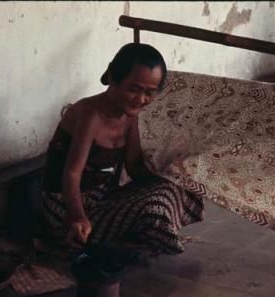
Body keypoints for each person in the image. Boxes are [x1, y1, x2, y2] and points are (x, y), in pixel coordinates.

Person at [40, 43, 204, 255]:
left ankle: (121, 237)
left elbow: (134, 166)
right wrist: (78, 217)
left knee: (175, 188)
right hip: (69, 208)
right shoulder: (90, 115)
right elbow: (71, 175)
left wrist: (172, 174)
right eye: (134, 89)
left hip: (103, 198)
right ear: (112, 77)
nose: (141, 99)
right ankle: (89, 240)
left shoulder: (130, 116)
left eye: (149, 93)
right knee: (153, 207)